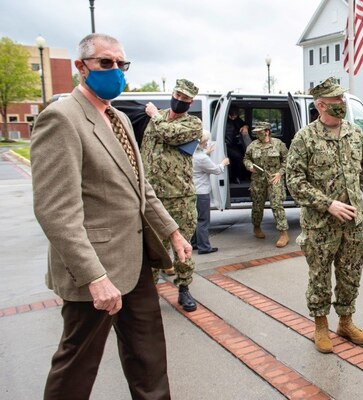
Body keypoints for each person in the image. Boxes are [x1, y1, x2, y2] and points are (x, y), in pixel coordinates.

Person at [30, 33, 191, 399]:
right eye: (106, 63)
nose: (116, 70)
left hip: (134, 265)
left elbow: (140, 188)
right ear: (81, 67)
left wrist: (174, 232)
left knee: (148, 356)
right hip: (93, 272)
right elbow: (56, 211)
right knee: (78, 364)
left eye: (122, 64)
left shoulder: (116, 117)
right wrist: (95, 277)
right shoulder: (61, 119)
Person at [286, 77, 363, 353]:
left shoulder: (356, 135)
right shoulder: (304, 138)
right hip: (320, 224)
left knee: (350, 274)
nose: (342, 104)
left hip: (353, 223)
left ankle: (345, 321)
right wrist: (327, 203)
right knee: (319, 276)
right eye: (335, 101)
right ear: (320, 105)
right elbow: (294, 181)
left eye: (342, 99)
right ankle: (320, 326)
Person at [141, 78, 202, 312]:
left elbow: (169, 134)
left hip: (181, 197)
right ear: (173, 93)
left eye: (185, 99)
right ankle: (150, 290)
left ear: (191, 102)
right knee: (153, 247)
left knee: (183, 247)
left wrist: (155, 115)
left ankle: (184, 288)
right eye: (177, 95)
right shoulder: (153, 118)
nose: (179, 101)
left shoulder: (192, 123)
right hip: (152, 197)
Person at [243, 121, 289, 247]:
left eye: (260, 132)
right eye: (256, 132)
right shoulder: (253, 145)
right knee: (257, 205)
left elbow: (287, 160)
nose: (258, 134)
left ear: (267, 131)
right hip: (258, 179)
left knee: (277, 205)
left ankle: (283, 233)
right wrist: (249, 165)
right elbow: (246, 158)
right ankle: (256, 227)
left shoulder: (278, 144)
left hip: (274, 179)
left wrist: (280, 173)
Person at [191, 130, 229, 254]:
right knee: (203, 220)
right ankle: (204, 247)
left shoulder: (192, 154)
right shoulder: (202, 158)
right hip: (202, 192)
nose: (207, 143)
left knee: (195, 219)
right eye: (206, 142)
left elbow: (199, 159)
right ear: (201, 142)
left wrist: (206, 153)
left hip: (193, 191)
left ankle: (195, 243)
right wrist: (224, 163)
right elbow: (216, 170)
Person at [225, 104, 250, 184]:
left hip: (234, 144)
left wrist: (245, 127)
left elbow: (244, 124)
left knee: (245, 155)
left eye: (235, 116)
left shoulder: (237, 119)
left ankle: (243, 176)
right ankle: (235, 177)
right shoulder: (224, 120)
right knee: (237, 157)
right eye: (231, 116)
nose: (233, 118)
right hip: (226, 145)